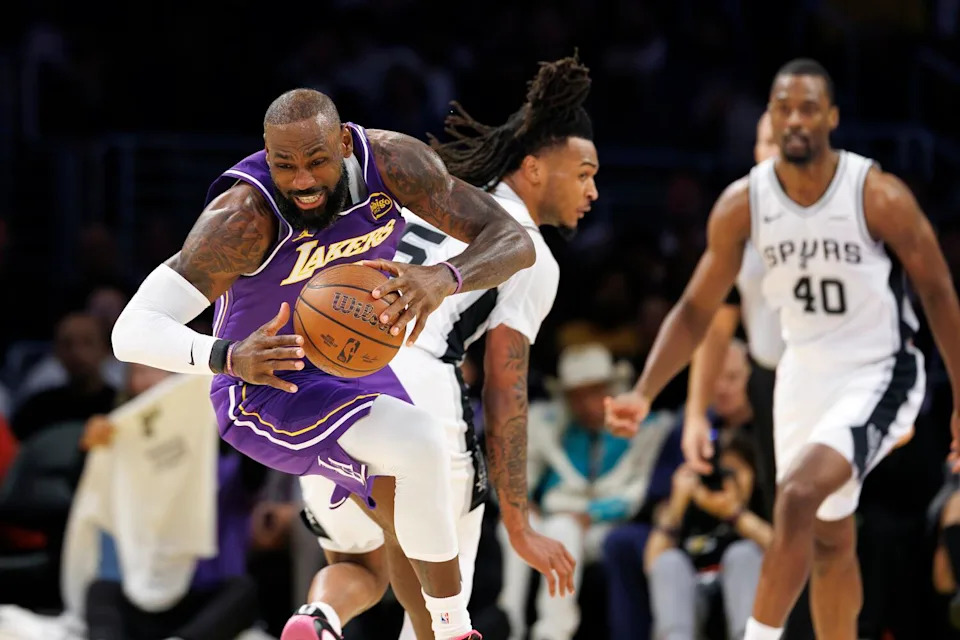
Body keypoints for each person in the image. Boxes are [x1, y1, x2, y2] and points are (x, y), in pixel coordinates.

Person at [111, 87, 536, 640]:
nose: (302, 181)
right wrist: (226, 357)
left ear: (343, 143)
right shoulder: (240, 220)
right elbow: (129, 331)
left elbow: (512, 240)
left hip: (351, 366)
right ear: (265, 154)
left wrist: (443, 277)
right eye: (283, 165)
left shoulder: (394, 165)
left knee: (398, 525)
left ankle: (329, 621)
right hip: (267, 383)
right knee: (421, 446)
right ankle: (456, 629)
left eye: (316, 161)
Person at [604, 57, 960, 640]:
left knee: (795, 497)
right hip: (799, 372)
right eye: (783, 108)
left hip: (878, 370)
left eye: (808, 108)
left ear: (832, 118)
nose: (795, 120)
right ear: (768, 117)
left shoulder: (876, 195)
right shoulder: (742, 205)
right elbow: (698, 312)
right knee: (828, 536)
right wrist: (645, 391)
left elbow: (940, 292)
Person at [294, 54, 598, 640]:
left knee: (360, 561)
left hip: (325, 374)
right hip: (419, 390)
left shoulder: (431, 196)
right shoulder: (526, 248)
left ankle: (318, 617)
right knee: (439, 614)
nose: (592, 190)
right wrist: (521, 523)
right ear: (533, 169)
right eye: (582, 172)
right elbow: (506, 390)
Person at [497, 343, 671, 640]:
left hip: (606, 524)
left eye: (595, 391)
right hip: (555, 516)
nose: (587, 403)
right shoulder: (551, 425)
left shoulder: (647, 428)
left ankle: (552, 632)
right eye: (576, 396)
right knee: (513, 524)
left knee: (562, 528)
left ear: (613, 387)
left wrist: (589, 515)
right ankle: (508, 620)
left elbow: (637, 494)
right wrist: (523, 505)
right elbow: (522, 476)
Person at [645, 428, 771, 640]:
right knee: (669, 562)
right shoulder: (688, 508)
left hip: (745, 604)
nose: (723, 480)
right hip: (694, 601)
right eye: (719, 472)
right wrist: (676, 507)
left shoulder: (763, 504)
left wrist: (734, 514)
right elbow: (652, 565)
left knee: (743, 554)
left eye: (733, 471)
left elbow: (783, 554)